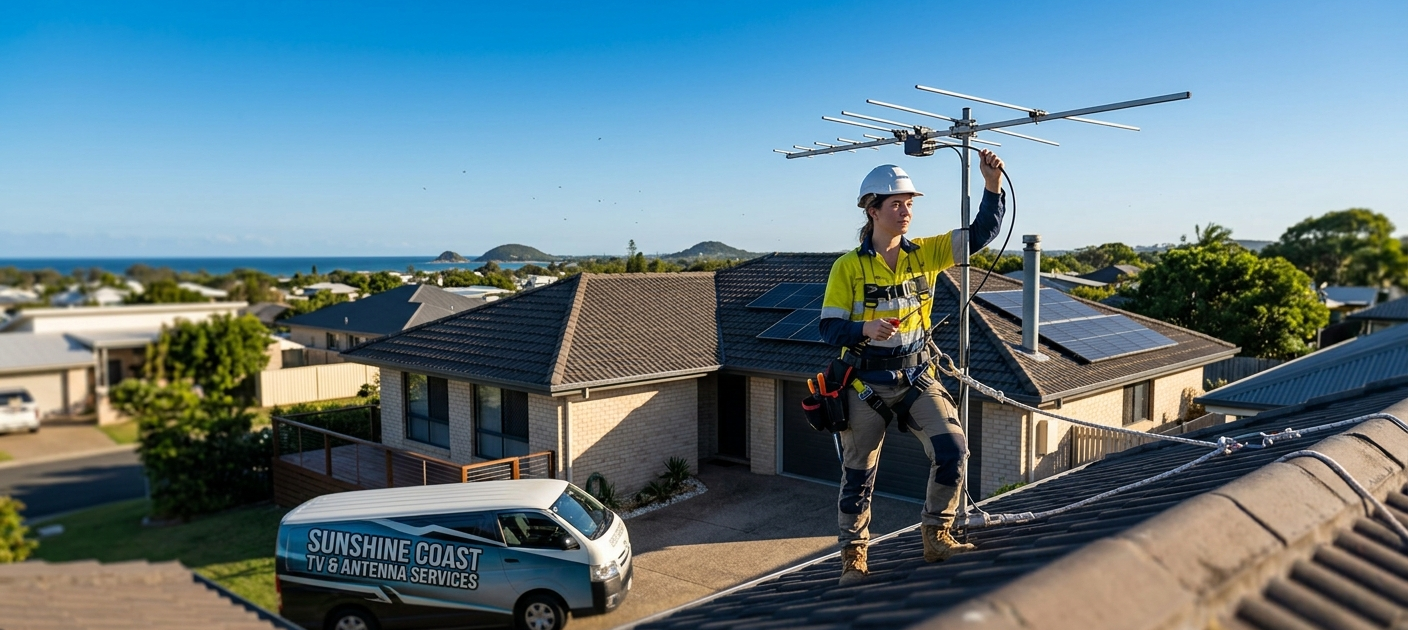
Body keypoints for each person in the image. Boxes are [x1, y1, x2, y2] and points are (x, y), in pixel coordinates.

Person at [819, 150, 1006, 585]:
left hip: (918, 376)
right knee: (858, 475)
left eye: (910, 204)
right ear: (873, 209)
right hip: (866, 382)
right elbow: (828, 328)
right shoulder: (847, 267)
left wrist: (991, 184)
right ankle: (853, 556)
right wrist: (864, 327)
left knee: (952, 450)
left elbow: (981, 234)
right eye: (896, 204)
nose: (906, 212)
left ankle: (936, 534)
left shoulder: (928, 252)